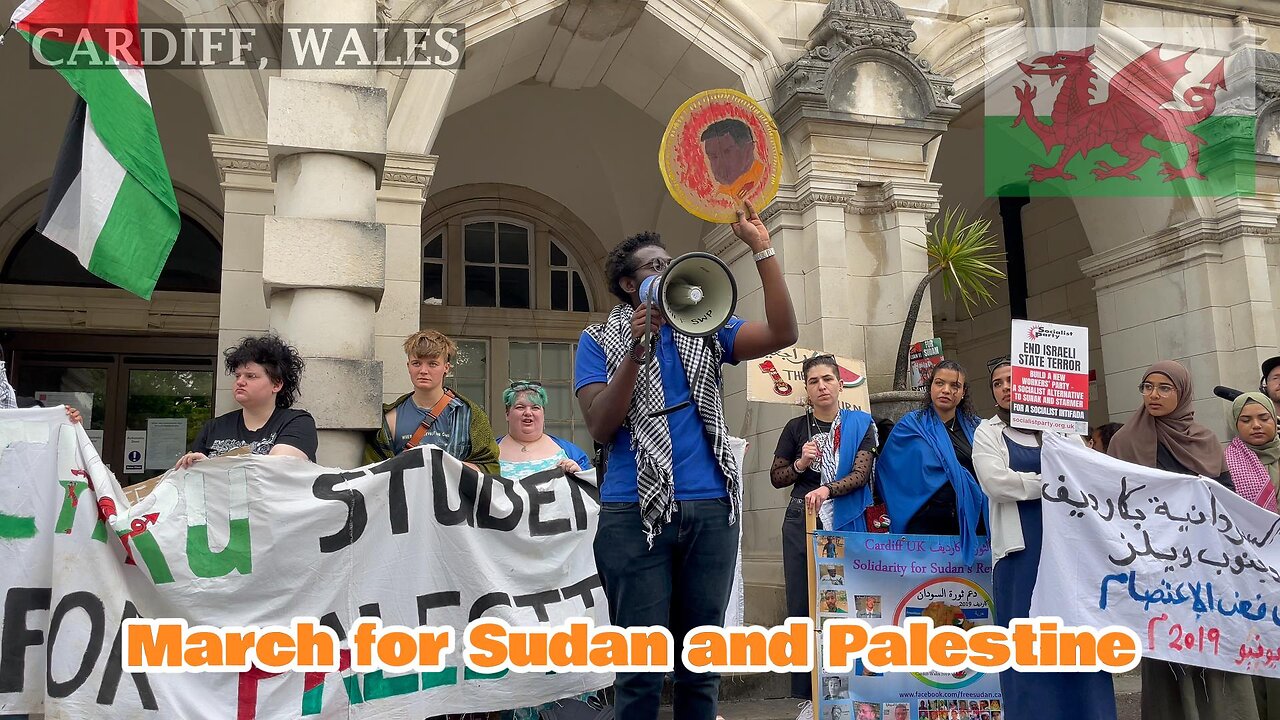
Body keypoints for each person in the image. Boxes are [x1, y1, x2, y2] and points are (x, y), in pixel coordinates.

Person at [574, 199, 796, 720]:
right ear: (629, 286)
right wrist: (637, 350)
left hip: (710, 509)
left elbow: (783, 333)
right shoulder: (596, 341)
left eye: (668, 263)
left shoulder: (705, 326)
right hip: (635, 514)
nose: (665, 271)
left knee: (701, 666)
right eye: (653, 265)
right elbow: (602, 424)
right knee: (641, 670)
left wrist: (762, 249)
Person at [1108, 360, 1254, 720]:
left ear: (1183, 392)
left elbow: (1226, 503)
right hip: (1155, 568)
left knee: (1214, 642)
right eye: (1147, 387)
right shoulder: (1125, 441)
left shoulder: (1204, 440)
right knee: (1167, 648)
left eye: (1164, 388)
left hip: (1206, 566)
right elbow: (1112, 504)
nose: (1153, 395)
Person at [972, 356, 1116, 720]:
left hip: (1069, 551)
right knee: (1025, 636)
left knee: (1076, 633)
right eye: (998, 383)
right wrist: (1050, 483)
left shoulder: (1063, 429)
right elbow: (995, 484)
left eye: (1012, 379)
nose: (1006, 387)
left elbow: (1083, 472)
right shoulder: (986, 432)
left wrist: (1042, 483)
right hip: (1021, 552)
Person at [770, 353, 875, 717]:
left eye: (828, 379)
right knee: (803, 607)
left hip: (845, 520)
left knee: (847, 605)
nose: (822, 386)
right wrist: (801, 463)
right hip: (803, 520)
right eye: (814, 381)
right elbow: (776, 476)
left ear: (840, 384)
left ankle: (851, 690)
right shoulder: (796, 428)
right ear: (807, 389)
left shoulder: (862, 425)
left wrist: (827, 489)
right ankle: (809, 697)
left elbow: (861, 475)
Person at [877, 360, 988, 564]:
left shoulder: (979, 429)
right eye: (940, 383)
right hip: (925, 523)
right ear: (930, 388)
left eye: (955, 386)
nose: (946, 390)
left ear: (963, 392)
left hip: (972, 519)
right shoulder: (910, 425)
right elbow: (889, 472)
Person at [364, 330, 500, 475]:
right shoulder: (389, 418)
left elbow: (491, 468)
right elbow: (372, 474)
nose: (423, 370)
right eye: (416, 363)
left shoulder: (470, 416)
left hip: (453, 497)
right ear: (408, 366)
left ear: (446, 368)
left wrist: (443, 466)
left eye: (432, 364)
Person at [175, 335, 316, 468]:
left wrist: (212, 466)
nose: (240, 382)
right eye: (237, 376)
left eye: (251, 376)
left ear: (276, 384)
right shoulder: (214, 427)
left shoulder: (297, 422)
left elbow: (278, 468)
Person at [496, 381, 590, 478]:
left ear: (543, 414)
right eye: (520, 407)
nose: (528, 412)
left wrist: (579, 473)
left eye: (535, 407)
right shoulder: (488, 453)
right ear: (507, 414)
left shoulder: (570, 452)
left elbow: (592, 485)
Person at [1226, 392, 1280, 511]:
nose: (1256, 425)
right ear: (1235, 424)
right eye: (1246, 420)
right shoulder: (1225, 464)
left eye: (1264, 418)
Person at [700, 119, 766, 201]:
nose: (720, 163)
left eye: (727, 152)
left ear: (748, 149)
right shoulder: (719, 196)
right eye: (713, 157)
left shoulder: (763, 179)